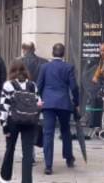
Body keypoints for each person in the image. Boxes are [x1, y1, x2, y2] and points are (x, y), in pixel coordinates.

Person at [37, 43, 79, 175]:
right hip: (63, 103)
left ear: (52, 52)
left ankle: (48, 165)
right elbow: (73, 87)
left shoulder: (44, 67)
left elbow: (38, 85)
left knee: (48, 133)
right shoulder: (69, 67)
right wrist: (76, 102)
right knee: (65, 130)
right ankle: (68, 158)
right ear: (64, 53)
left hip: (48, 103)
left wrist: (39, 100)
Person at [0, 60, 42, 183]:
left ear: (11, 70)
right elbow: (39, 103)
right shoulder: (33, 85)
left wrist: (4, 125)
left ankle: (6, 176)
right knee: (28, 153)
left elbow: (4, 106)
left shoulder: (8, 85)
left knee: (10, 148)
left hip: (13, 121)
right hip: (30, 121)